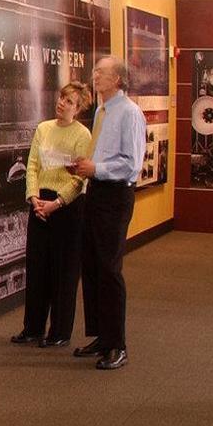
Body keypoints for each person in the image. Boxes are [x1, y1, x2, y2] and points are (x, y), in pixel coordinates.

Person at [73, 55, 144, 371]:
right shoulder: (102, 110)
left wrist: (97, 168)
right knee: (91, 266)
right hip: (96, 191)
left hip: (115, 195)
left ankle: (118, 345)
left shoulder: (129, 113)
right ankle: (101, 336)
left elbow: (132, 164)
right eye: (95, 72)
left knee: (109, 269)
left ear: (118, 79)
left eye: (101, 72)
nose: (95, 76)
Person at [12, 82, 92, 348]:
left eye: (68, 102)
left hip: (67, 209)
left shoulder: (83, 135)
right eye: (61, 98)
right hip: (40, 205)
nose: (61, 104)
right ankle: (32, 328)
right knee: (37, 270)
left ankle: (59, 332)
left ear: (77, 108)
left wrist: (55, 204)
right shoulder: (43, 129)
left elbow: (79, 179)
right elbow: (32, 165)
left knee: (64, 272)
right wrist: (34, 199)